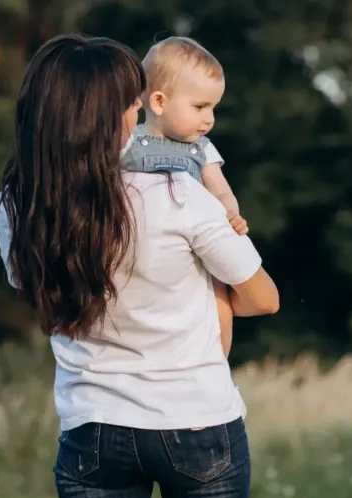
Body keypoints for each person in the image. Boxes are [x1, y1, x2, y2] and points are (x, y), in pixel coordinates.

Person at [0, 33, 280, 498]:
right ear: (106, 115)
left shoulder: (18, 205)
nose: (137, 110)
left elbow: (39, 294)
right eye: (130, 102)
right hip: (194, 416)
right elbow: (264, 299)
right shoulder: (176, 193)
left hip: (92, 427)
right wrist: (211, 300)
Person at [123, 36, 245, 359]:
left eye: (213, 108)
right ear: (160, 102)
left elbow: (221, 190)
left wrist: (230, 213)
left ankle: (216, 362)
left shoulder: (202, 149)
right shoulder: (128, 143)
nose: (210, 119)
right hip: (144, 247)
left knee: (220, 301)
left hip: (195, 247)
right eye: (200, 107)